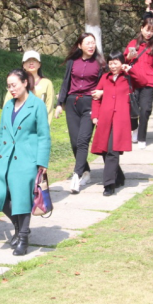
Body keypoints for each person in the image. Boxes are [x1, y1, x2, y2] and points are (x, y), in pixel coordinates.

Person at [0, 69, 51, 256]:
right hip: (6, 158)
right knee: (1, 197)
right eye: (8, 86)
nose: (11, 89)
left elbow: (43, 135)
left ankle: (23, 238)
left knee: (22, 199)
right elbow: (2, 133)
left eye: (14, 85)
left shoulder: (37, 105)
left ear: (25, 83)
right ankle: (19, 228)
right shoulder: (8, 106)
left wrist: (42, 162)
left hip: (26, 159)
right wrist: (0, 155)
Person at [55, 33, 105, 194]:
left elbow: (105, 83)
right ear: (79, 45)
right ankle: (86, 171)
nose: (91, 46)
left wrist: (102, 93)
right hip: (72, 103)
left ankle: (76, 176)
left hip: (90, 103)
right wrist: (60, 104)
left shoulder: (100, 63)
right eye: (87, 43)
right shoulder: (72, 62)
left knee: (83, 140)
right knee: (75, 142)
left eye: (93, 43)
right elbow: (66, 82)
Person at [91, 50, 132, 196]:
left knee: (112, 151)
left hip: (120, 120)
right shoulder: (105, 77)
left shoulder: (128, 77)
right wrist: (95, 116)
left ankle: (109, 184)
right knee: (104, 150)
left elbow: (142, 81)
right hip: (105, 119)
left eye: (116, 63)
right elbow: (96, 98)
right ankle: (119, 176)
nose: (113, 66)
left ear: (122, 63)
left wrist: (130, 70)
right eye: (110, 63)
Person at [123, 18, 153, 149]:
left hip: (148, 83)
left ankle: (142, 137)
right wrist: (128, 57)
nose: (149, 33)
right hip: (133, 82)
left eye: (152, 31)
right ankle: (134, 129)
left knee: (145, 110)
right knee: (132, 109)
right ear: (141, 28)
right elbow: (124, 61)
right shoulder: (133, 44)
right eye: (147, 30)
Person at [4, 50, 56, 124]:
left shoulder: (47, 83)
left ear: (39, 64)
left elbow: (49, 107)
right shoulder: (16, 82)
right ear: (23, 64)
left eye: (34, 60)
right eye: (28, 60)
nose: (31, 63)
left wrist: (45, 125)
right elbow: (7, 104)